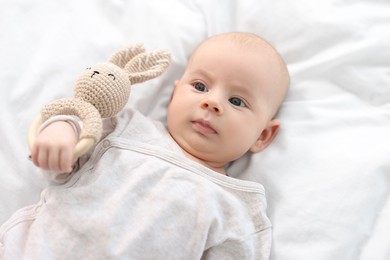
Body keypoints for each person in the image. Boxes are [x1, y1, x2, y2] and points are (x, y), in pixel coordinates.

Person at [0, 32, 289, 259]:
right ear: (175, 93)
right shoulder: (127, 128)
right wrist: (62, 131)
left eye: (237, 101)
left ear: (262, 135)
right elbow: (82, 120)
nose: (211, 102)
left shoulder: (237, 208)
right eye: (200, 86)